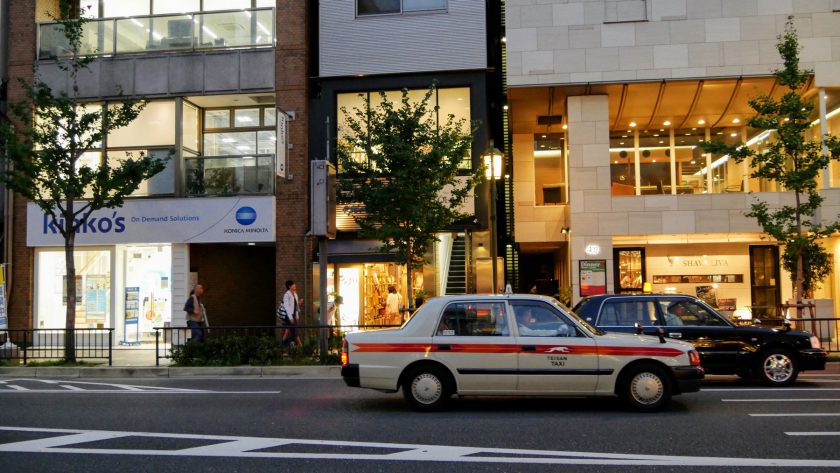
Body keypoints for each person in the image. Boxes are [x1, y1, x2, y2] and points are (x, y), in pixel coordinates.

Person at [281, 279, 303, 347]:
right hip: (289, 316)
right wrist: (290, 317)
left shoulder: (295, 294)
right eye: (293, 284)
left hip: (294, 316)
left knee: (289, 332)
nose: (295, 285)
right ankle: (297, 346)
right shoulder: (286, 295)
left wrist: (298, 303)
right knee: (294, 331)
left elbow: (295, 306)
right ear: (289, 286)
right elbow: (287, 307)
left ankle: (282, 347)